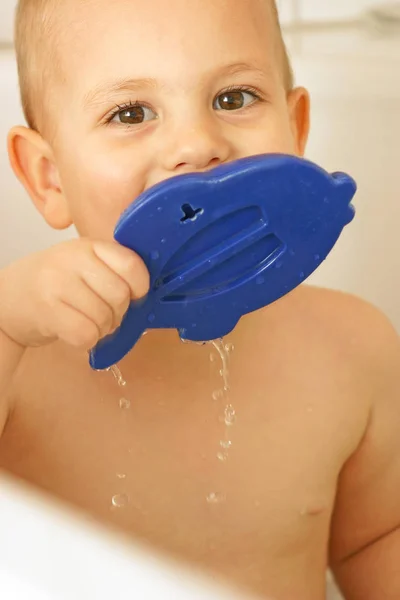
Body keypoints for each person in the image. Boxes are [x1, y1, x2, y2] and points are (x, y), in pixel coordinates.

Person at [0, 1, 399, 598]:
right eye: (131, 112)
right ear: (49, 178)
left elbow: (377, 538)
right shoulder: (23, 363)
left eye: (234, 98)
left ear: (297, 130)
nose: (196, 146)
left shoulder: (353, 349)